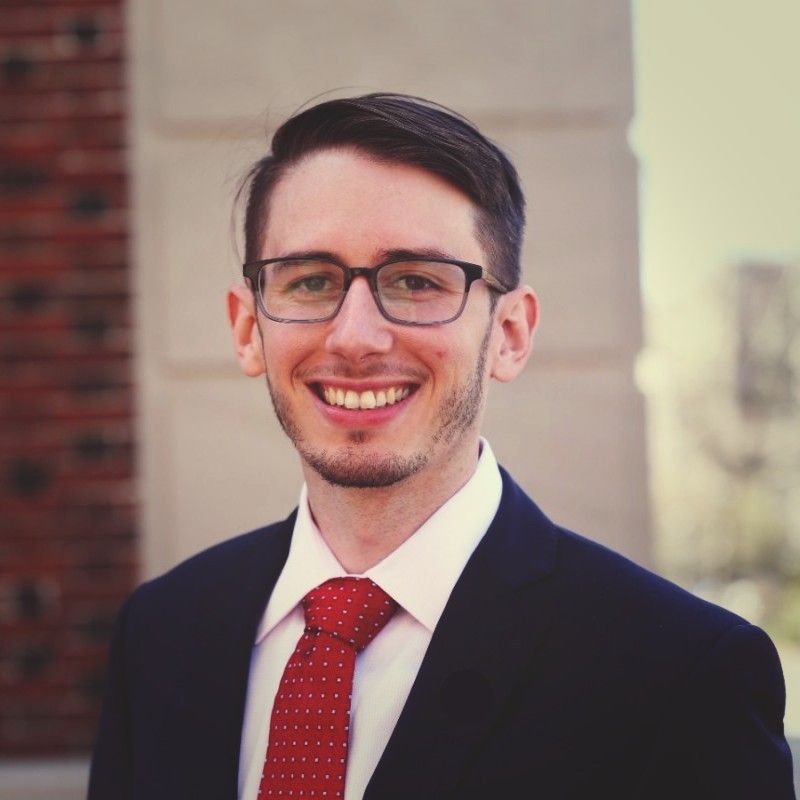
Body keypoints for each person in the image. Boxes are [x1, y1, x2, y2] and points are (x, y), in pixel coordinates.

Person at [88, 93, 794, 799]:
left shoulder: (681, 674)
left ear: (510, 334)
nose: (355, 337)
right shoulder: (160, 633)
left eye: (416, 281)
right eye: (311, 281)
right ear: (248, 329)